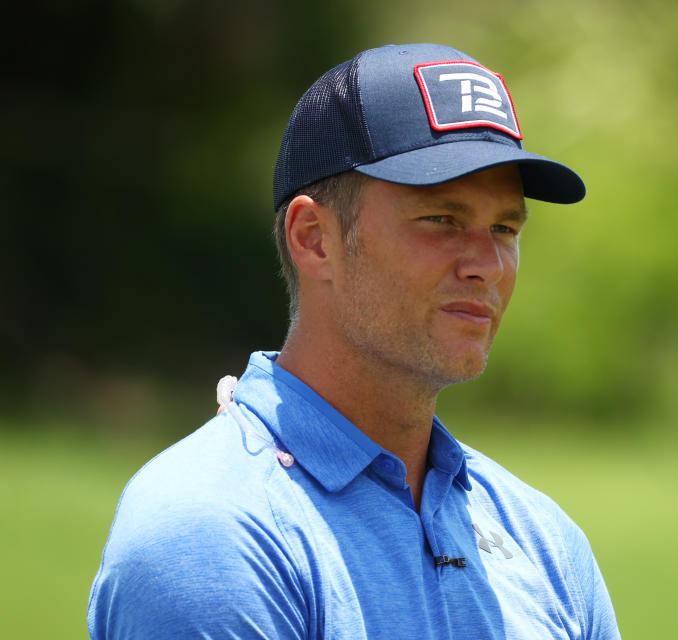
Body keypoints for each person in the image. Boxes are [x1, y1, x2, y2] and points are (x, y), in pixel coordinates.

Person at [88, 43, 620, 639]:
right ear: (315, 238)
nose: (487, 264)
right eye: (441, 220)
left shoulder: (543, 539)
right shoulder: (212, 532)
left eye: (504, 227)